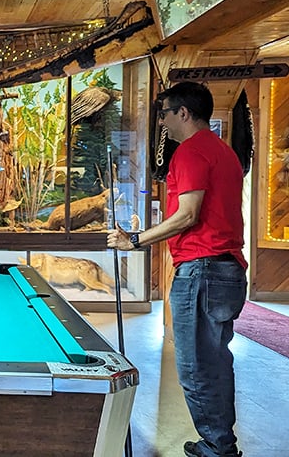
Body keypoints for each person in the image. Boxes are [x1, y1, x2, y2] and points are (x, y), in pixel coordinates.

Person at [107, 82, 246, 457]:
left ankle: (219, 449)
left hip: (202, 272)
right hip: (226, 270)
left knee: (196, 368)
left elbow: (187, 215)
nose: (163, 122)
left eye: (165, 113)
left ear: (182, 112)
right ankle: (218, 442)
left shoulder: (190, 153)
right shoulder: (225, 153)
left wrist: (135, 240)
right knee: (215, 362)